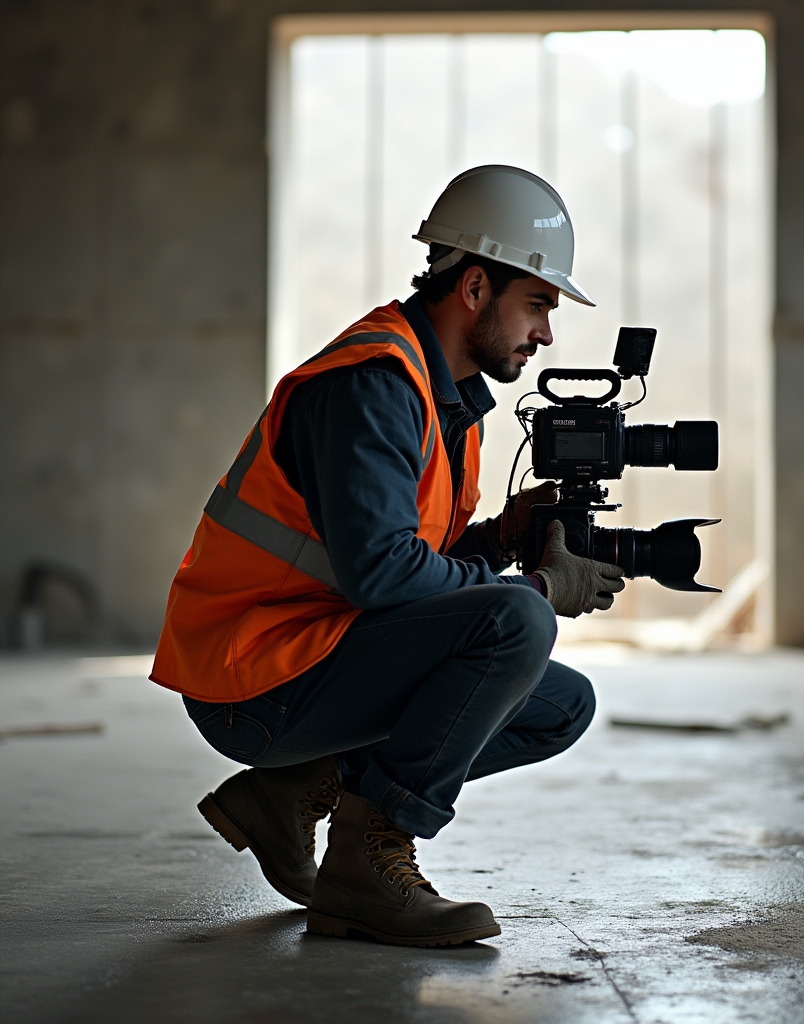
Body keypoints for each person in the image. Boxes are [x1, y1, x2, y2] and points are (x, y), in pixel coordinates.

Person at [150, 165, 626, 947]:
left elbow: (414, 558)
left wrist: (505, 537)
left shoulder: (450, 400)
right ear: (475, 288)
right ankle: (367, 867)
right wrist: (535, 584)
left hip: (319, 650)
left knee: (559, 705)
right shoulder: (374, 384)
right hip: (254, 676)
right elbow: (382, 574)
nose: (545, 334)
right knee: (517, 622)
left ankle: (298, 789)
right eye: (537, 305)